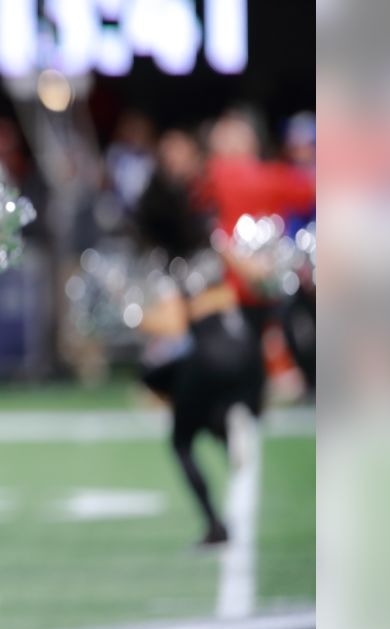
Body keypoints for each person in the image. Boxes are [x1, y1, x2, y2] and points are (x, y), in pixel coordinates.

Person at [134, 129, 265, 546]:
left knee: (179, 439)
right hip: (245, 347)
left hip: (207, 351)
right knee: (197, 405)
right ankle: (226, 425)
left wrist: (134, 318)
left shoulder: (170, 263)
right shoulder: (213, 244)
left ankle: (214, 525)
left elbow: (172, 324)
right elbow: (258, 279)